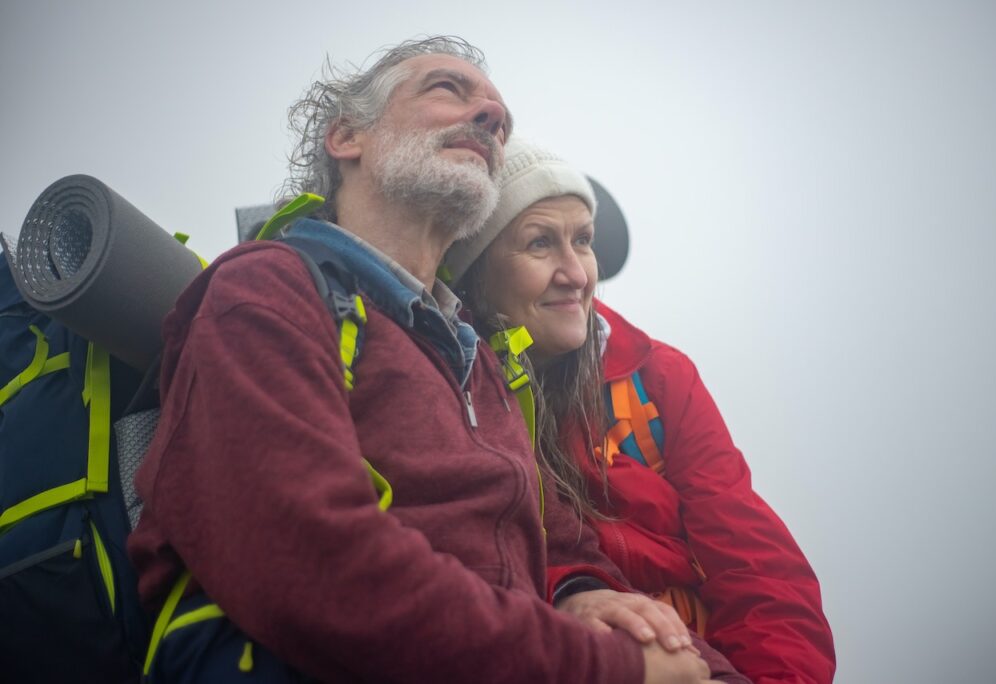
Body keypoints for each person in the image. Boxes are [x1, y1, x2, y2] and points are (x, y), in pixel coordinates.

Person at [127, 37, 744, 683]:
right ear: (346, 137)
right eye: (448, 88)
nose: (491, 117)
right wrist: (612, 668)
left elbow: (564, 547)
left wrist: (581, 591)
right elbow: (307, 558)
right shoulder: (269, 289)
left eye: (500, 116)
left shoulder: (481, 365)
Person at [446, 137, 837, 684]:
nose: (577, 274)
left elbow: (756, 562)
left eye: (582, 241)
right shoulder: (446, 389)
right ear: (476, 272)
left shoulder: (658, 376)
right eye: (539, 243)